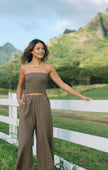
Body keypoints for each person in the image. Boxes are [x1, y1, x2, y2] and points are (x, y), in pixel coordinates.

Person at [15, 39, 92, 170]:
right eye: (38, 48)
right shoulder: (24, 68)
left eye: (43, 49)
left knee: (44, 139)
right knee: (24, 141)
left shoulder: (48, 67)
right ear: (31, 50)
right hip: (27, 104)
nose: (41, 51)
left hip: (43, 103)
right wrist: (19, 99)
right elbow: (20, 86)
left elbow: (62, 84)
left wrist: (81, 96)